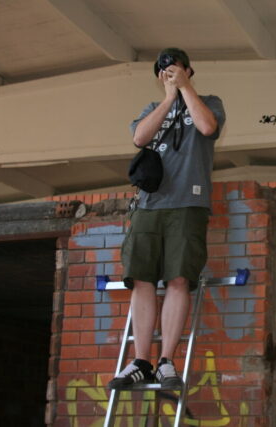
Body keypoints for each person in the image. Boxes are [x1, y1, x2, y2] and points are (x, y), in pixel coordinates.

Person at [108, 48, 225, 389]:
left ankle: (166, 361)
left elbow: (207, 126)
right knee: (141, 279)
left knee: (178, 278)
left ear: (189, 70)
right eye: (166, 71)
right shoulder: (152, 108)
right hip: (148, 205)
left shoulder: (209, 102)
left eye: (177, 69)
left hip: (189, 203)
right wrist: (169, 97)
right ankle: (141, 361)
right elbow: (139, 138)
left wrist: (185, 88)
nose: (171, 73)